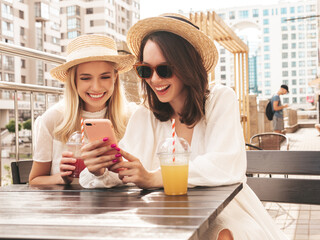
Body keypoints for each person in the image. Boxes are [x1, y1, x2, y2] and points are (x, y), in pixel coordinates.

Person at [79, 14, 288, 239]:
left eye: (165, 69)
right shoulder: (145, 115)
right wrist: (100, 170)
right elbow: (127, 169)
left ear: (187, 65)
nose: (154, 79)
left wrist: (154, 178)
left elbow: (226, 165)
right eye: (145, 70)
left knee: (221, 232)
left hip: (226, 209)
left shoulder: (220, 99)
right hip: (165, 214)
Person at [28, 34, 136, 185]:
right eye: (85, 78)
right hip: (68, 207)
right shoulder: (53, 119)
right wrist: (62, 178)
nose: (96, 87)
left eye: (105, 77)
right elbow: (34, 180)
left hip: (119, 206)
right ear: (73, 81)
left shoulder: (132, 117)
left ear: (115, 77)